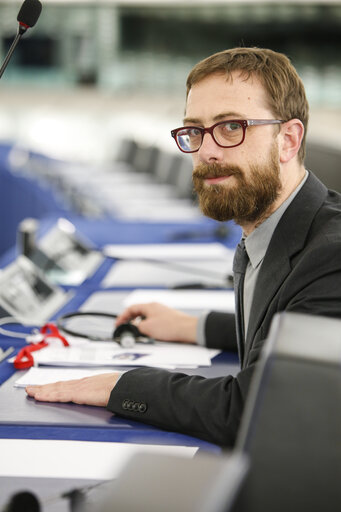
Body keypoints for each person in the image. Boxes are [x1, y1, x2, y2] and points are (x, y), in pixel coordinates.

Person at [26, 47, 341, 447]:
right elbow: (284, 327)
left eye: (231, 127)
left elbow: (259, 408)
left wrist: (122, 385)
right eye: (195, 130)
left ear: (288, 140)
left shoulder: (332, 257)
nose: (206, 151)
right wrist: (194, 326)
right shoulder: (276, 228)